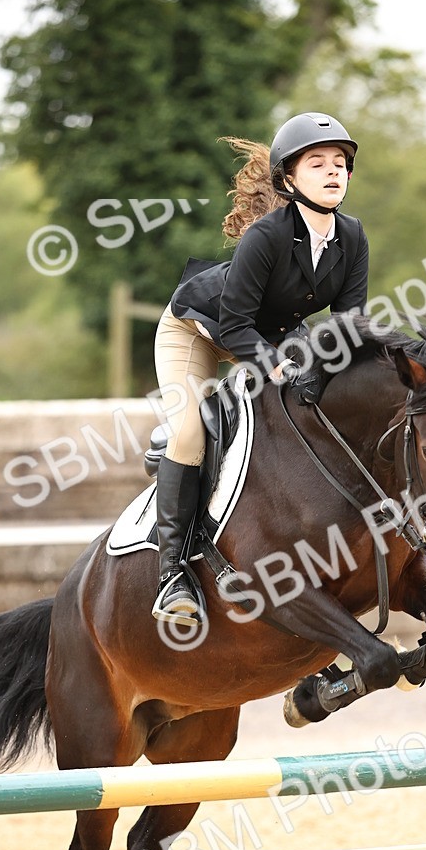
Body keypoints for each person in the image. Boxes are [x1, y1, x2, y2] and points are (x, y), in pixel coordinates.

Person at [151, 111, 370, 626]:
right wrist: (275, 366)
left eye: (341, 163)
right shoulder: (268, 236)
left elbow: (350, 326)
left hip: (270, 330)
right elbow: (234, 326)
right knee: (188, 432)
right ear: (289, 179)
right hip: (201, 327)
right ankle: (173, 573)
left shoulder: (352, 236)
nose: (334, 171)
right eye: (318, 163)